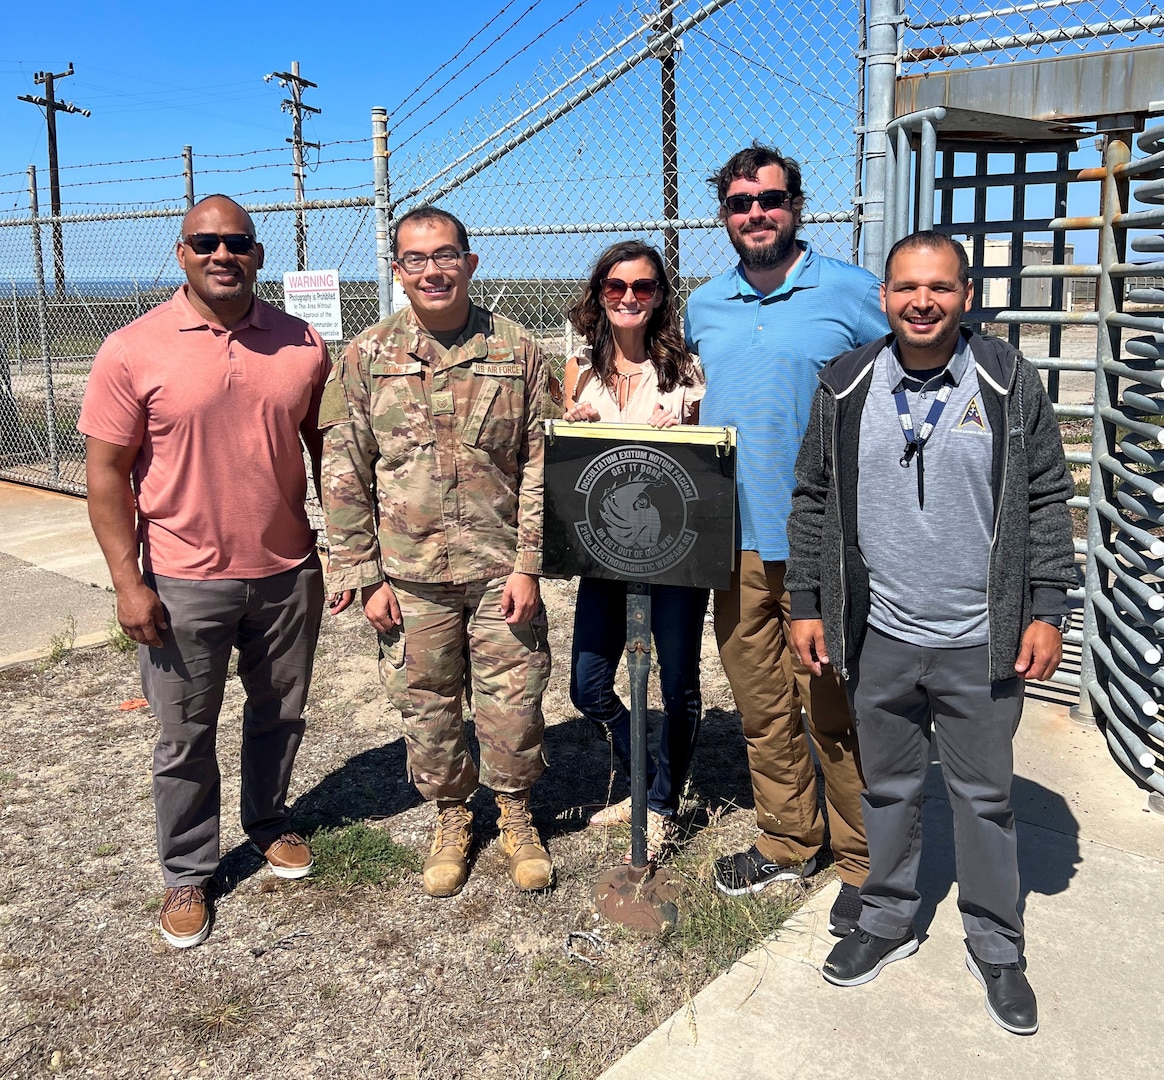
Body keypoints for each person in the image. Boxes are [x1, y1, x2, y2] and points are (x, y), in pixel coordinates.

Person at [786, 231, 1075, 1035]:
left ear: (966, 295)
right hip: (880, 633)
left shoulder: (1008, 380)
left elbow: (1048, 496)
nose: (923, 301)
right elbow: (812, 496)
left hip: (981, 637)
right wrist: (808, 600)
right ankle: (885, 917)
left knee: (985, 797)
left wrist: (1047, 606)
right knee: (889, 787)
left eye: (940, 288)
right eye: (907, 286)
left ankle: (995, 940)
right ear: (883, 296)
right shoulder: (844, 384)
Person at [79, 194, 332, 949]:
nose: (223, 254)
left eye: (238, 243)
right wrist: (129, 582)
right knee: (184, 734)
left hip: (288, 571)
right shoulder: (132, 348)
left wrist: (349, 549)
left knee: (279, 713)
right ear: (181, 252)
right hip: (183, 580)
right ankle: (187, 870)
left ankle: (268, 822)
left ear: (257, 255)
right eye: (206, 242)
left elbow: (330, 454)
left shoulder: (302, 342)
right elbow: (105, 474)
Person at [320, 205, 553, 899]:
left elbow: (542, 462)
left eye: (446, 255)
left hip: (498, 571)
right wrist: (365, 578)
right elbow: (342, 470)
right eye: (416, 260)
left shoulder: (518, 350)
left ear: (470, 262)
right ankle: (452, 817)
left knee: (514, 705)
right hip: (409, 576)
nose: (433, 270)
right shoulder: (366, 356)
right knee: (426, 707)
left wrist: (529, 564)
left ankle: (515, 814)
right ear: (398, 272)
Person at [683, 143, 886, 933]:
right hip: (732, 542)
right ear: (725, 216)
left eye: (769, 199)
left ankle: (865, 858)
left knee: (834, 706)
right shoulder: (705, 305)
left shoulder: (851, 291)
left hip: (823, 541)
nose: (755, 213)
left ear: (797, 205)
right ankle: (787, 839)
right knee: (762, 706)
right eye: (739, 203)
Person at [561, 240, 708, 864]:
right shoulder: (579, 369)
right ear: (599, 294)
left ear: (659, 297)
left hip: (672, 557)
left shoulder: (686, 373)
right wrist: (573, 424)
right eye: (616, 287)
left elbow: (708, 470)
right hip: (604, 557)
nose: (628, 298)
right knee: (587, 685)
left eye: (643, 288)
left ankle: (663, 799)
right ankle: (640, 756)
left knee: (676, 683)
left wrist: (690, 436)